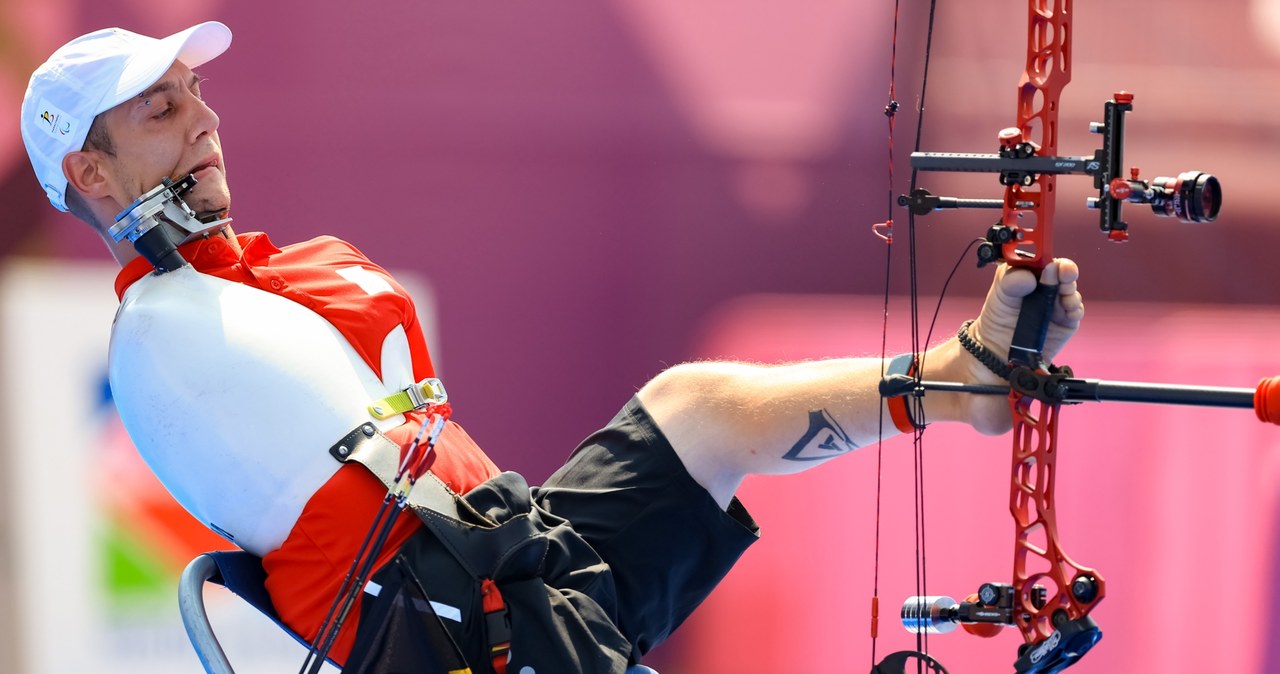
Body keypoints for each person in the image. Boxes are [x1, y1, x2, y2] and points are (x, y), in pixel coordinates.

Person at [20, 21, 1084, 674]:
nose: (202, 117)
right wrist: (148, 243)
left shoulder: (285, 274)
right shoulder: (162, 330)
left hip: (516, 555)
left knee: (697, 408)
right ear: (96, 177)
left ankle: (961, 378)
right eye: (161, 110)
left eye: (196, 93)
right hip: (461, 637)